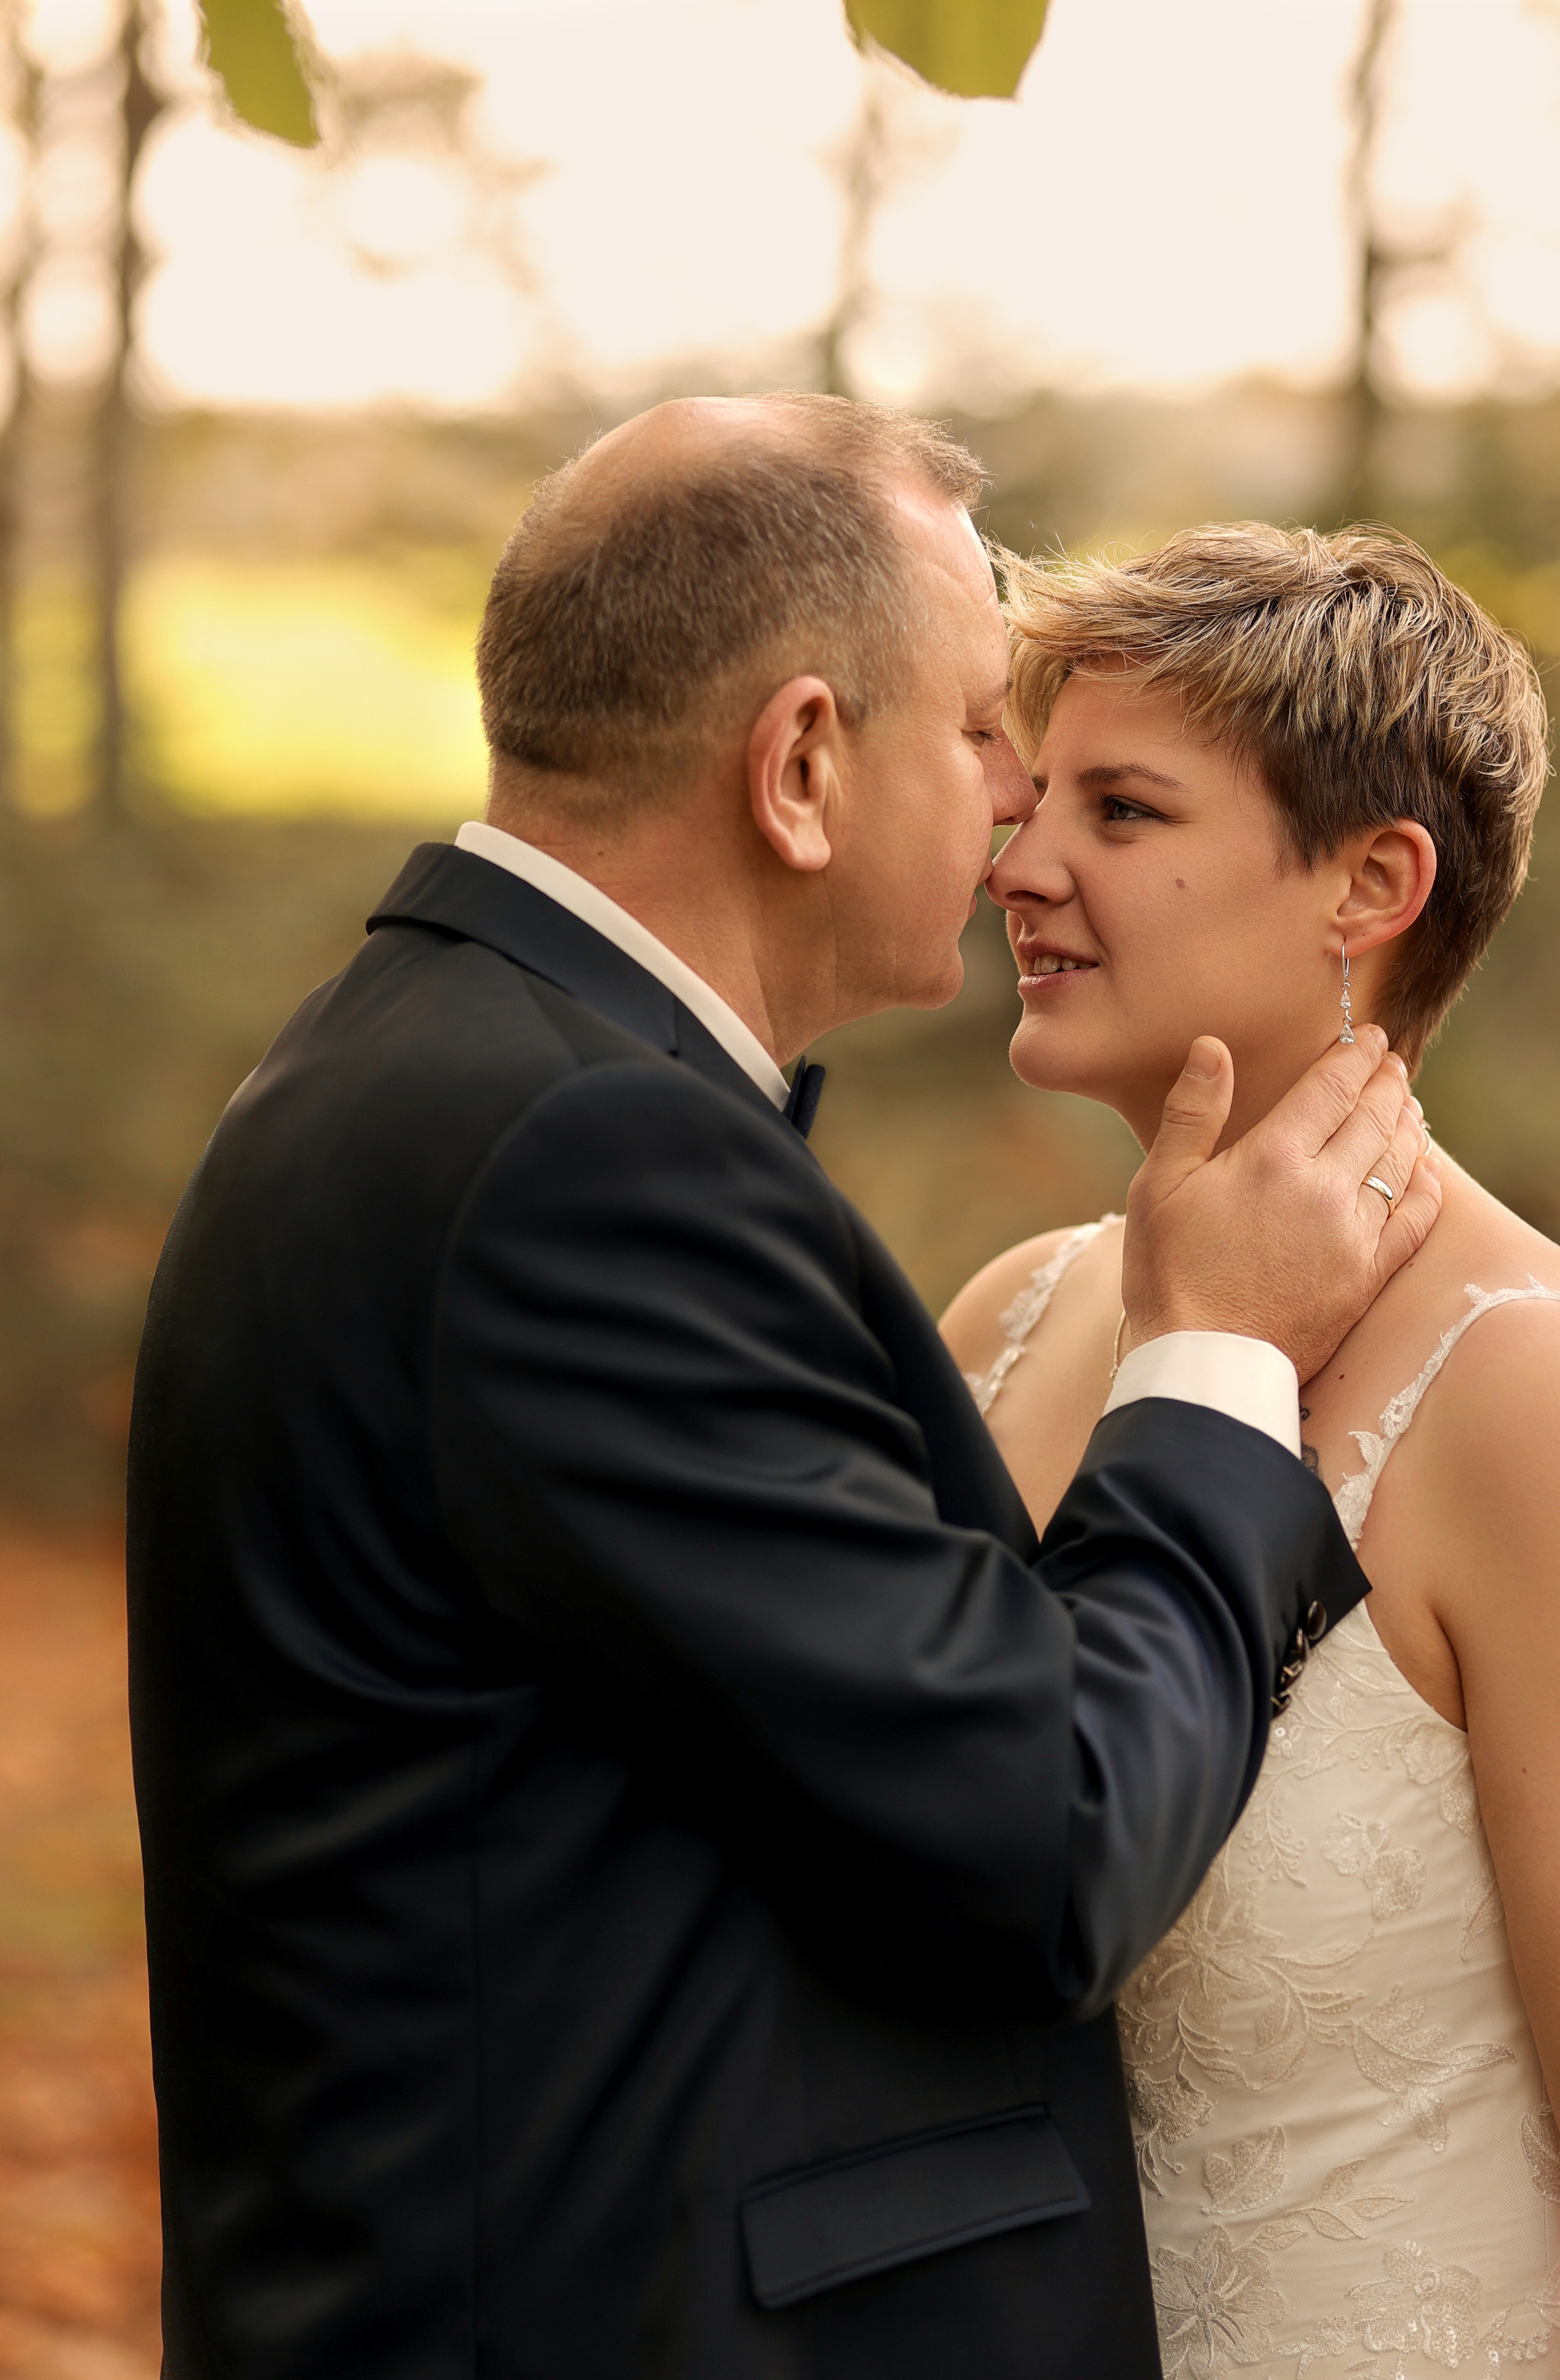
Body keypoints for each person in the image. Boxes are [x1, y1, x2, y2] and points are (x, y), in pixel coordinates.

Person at [126, 399, 1441, 2380]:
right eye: (985, 726)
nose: (1016, 801)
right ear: (805, 762)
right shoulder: (587, 1163)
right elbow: (1046, 1836)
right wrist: (1215, 1357)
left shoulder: (416, 1066)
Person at [939, 521, 1560, 2379]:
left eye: (1126, 811)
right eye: (1034, 794)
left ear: (1371, 883)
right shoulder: (1001, 1324)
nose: (1024, 859)